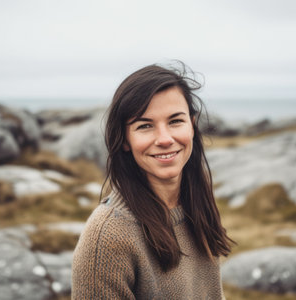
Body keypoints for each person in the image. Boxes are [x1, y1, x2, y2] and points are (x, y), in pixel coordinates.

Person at [72, 62, 233, 299]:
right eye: (145, 126)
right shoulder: (108, 236)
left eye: (175, 121)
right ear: (125, 139)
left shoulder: (196, 203)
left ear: (193, 125)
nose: (165, 139)